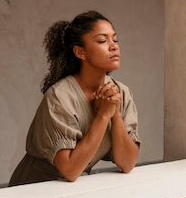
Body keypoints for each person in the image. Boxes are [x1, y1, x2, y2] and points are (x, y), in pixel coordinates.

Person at [9, 10, 140, 185]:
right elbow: (70, 170)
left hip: (72, 191)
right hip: (33, 189)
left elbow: (127, 163)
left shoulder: (121, 93)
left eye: (115, 40)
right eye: (102, 40)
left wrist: (114, 114)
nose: (114, 46)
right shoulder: (59, 97)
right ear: (80, 52)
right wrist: (102, 116)